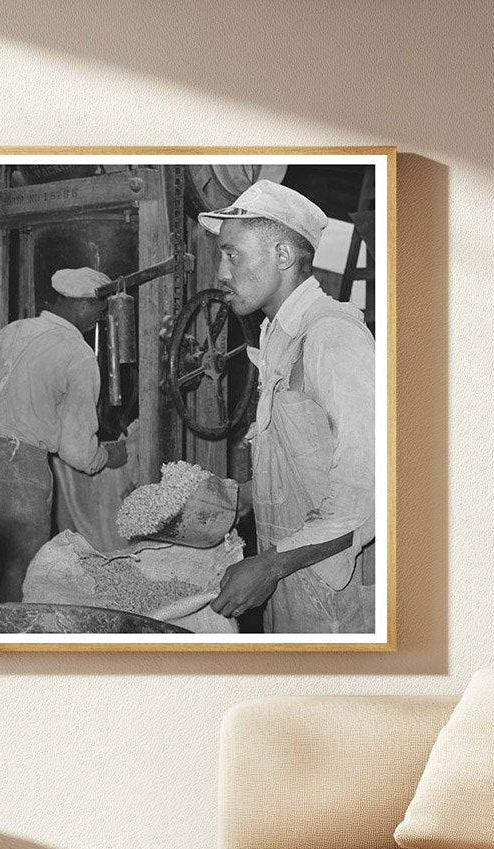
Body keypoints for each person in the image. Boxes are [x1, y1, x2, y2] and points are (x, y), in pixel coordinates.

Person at [199, 180, 376, 633]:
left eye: (232, 254)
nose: (221, 272)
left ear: (282, 256)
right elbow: (311, 456)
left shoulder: (331, 338)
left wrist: (271, 566)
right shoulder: (278, 335)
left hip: (338, 591)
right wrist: (243, 495)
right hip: (293, 575)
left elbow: (370, 486)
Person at [0, 267, 128, 602]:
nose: (96, 323)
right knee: (22, 577)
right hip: (20, 476)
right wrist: (112, 455)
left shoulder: (13, 331)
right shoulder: (79, 355)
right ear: (85, 306)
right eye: (99, 314)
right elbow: (78, 453)